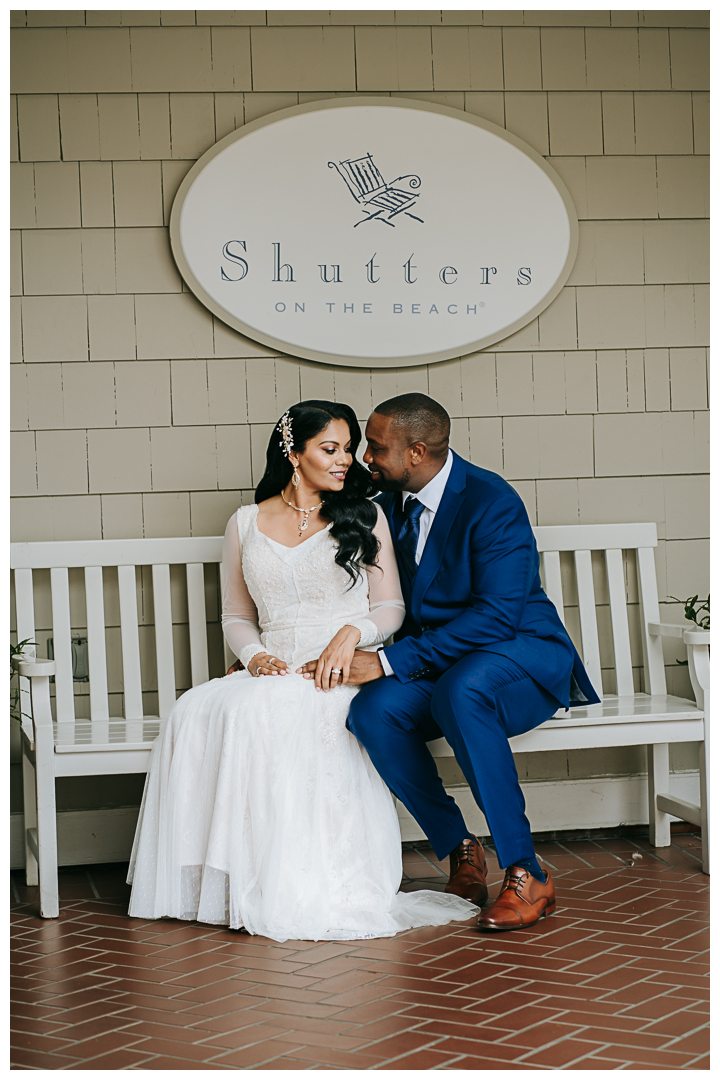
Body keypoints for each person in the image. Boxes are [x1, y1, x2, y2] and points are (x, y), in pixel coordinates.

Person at [127, 400, 478, 942]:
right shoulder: (246, 522)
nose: (346, 461)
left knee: (285, 712)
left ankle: (311, 883)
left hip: (340, 667)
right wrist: (255, 657)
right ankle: (239, 882)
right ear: (294, 455)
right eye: (330, 449)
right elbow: (237, 616)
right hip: (275, 664)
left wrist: (352, 634)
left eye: (348, 449)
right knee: (200, 709)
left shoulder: (366, 514)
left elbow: (390, 609)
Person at [300, 393, 601, 932]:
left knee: (464, 690)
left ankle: (527, 872)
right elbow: (331, 582)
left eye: (376, 447)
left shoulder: (491, 501)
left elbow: (496, 617)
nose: (366, 458)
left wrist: (392, 660)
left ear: (416, 451)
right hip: (443, 664)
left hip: (519, 654)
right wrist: (272, 654)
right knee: (374, 712)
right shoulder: (387, 500)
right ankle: (459, 847)